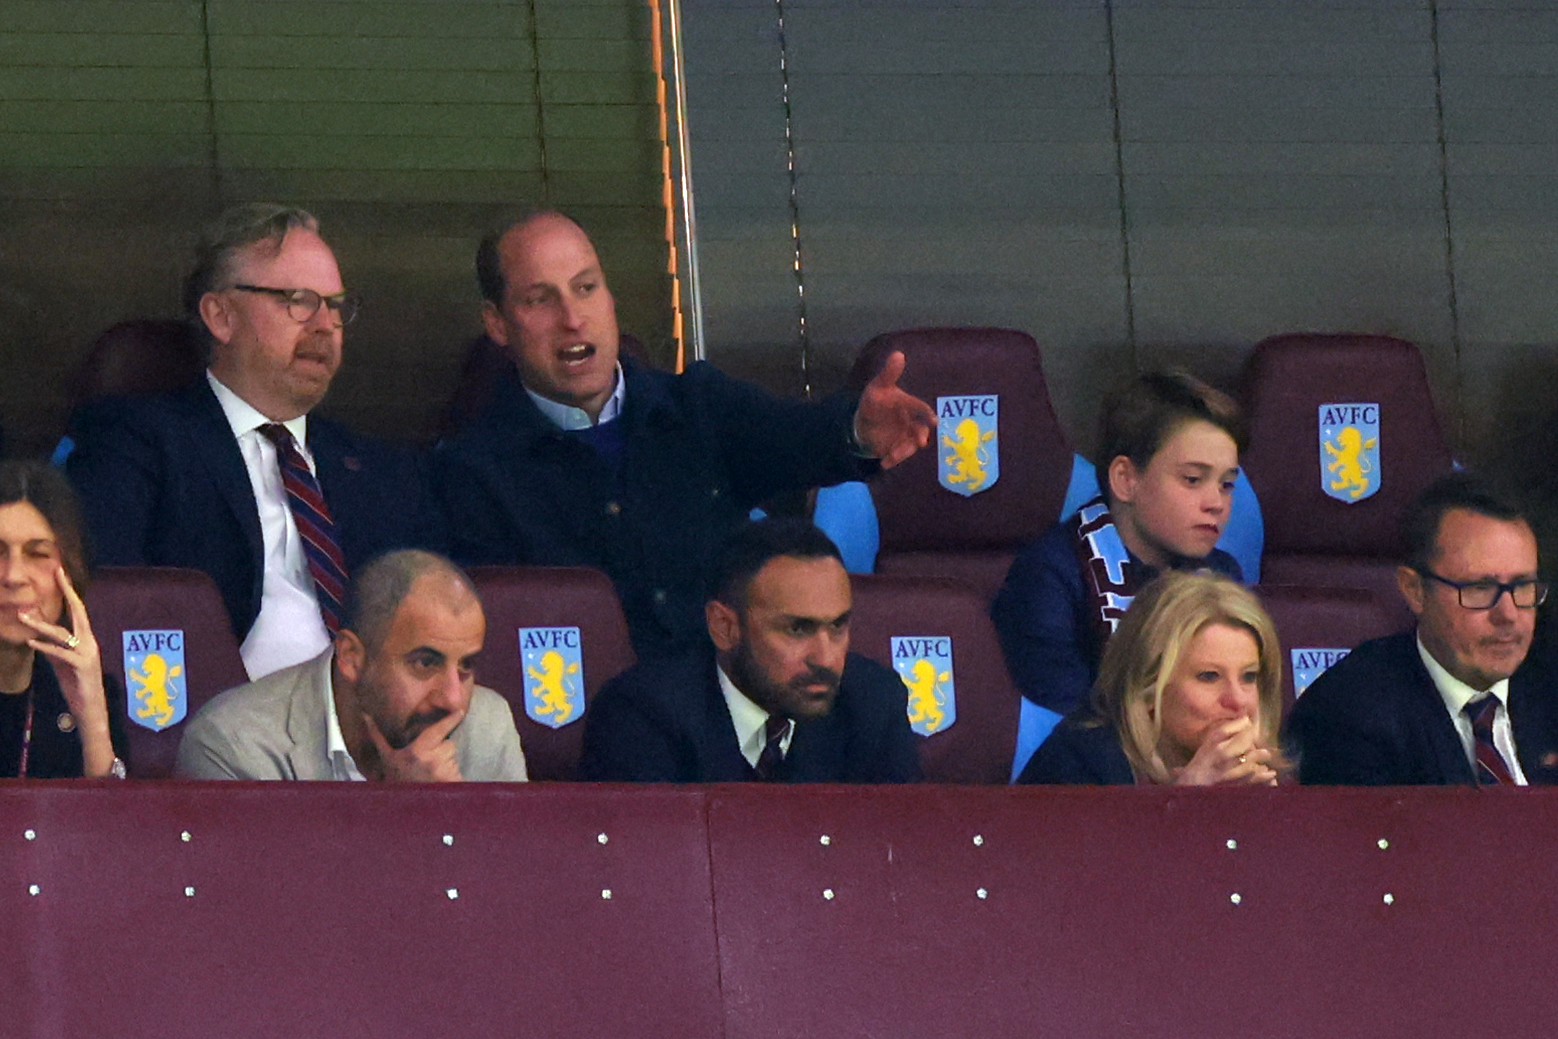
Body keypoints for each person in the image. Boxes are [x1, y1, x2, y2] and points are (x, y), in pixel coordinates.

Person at [433, 210, 935, 659]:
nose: (572, 318)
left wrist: (856, 430)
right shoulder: (472, 472)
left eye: (586, 288)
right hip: (600, 731)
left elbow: (796, 437)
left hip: (730, 707)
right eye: (541, 300)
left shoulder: (697, 407)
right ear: (497, 324)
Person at [67, 203, 441, 681]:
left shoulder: (381, 470)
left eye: (336, 306)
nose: (325, 324)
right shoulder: (138, 443)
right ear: (221, 316)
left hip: (369, 724)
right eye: (299, 300)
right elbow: (111, 607)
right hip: (222, 720)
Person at [581, 518, 920, 783]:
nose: (826, 658)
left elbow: (899, 855)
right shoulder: (642, 714)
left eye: (838, 627)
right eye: (797, 629)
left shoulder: (874, 703)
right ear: (724, 627)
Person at [993, 370, 1245, 716]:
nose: (1216, 502)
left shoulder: (1222, 573)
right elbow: (1068, 728)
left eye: (1226, 484)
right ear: (1125, 480)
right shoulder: (1049, 577)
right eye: (1193, 479)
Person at [1287, 473, 1558, 785]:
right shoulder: (1349, 715)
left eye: (1523, 586)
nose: (1508, 615)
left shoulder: (1547, 688)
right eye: (1480, 588)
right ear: (1414, 590)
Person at [176, 549, 526, 782]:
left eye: (466, 666)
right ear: (351, 658)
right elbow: (270, 891)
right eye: (424, 663)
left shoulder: (487, 726)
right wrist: (403, 812)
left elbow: (514, 883)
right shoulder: (233, 745)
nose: (453, 699)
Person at [1019, 571, 1284, 785]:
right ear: (1147, 685)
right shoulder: (1080, 766)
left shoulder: (1262, 768)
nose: (1238, 701)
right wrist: (1190, 800)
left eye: (1249, 677)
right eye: (1209, 676)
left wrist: (1268, 813)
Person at [0, 461, 127, 779]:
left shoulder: (86, 688)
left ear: (69, 572)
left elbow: (112, 825)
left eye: (38, 554)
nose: (13, 576)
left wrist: (93, 719)